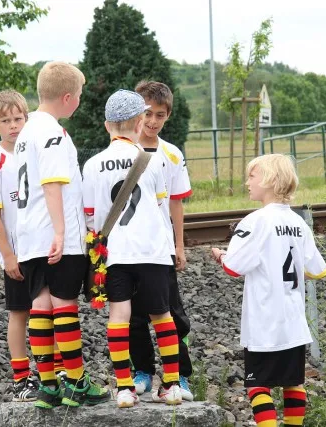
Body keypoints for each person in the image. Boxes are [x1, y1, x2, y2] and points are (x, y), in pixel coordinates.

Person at [14, 61, 110, 409]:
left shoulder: (25, 132)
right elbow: (52, 183)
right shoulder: (53, 133)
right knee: (64, 304)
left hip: (29, 236)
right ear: (67, 97)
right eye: (79, 95)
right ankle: (76, 381)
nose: (80, 101)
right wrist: (60, 231)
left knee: (40, 306)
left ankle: (48, 386)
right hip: (58, 235)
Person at [210, 154, 326, 427]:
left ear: (269, 180)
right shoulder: (299, 223)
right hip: (293, 322)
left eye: (251, 176)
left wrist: (222, 256)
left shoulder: (255, 221)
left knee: (258, 384)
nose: (247, 182)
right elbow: (317, 270)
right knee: (293, 383)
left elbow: (234, 268)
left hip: (264, 322)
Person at [82, 89, 183, 408]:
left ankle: (125, 387)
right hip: (153, 251)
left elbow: (90, 216)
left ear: (106, 126)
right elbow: (161, 203)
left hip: (117, 253)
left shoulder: (93, 165)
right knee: (162, 314)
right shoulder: (152, 161)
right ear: (140, 123)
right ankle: (171, 384)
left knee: (119, 315)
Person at [130, 80, 194, 401]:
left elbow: (176, 203)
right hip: (130, 249)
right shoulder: (124, 151)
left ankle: (179, 375)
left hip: (161, 248)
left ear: (168, 115)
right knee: (134, 315)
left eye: (160, 115)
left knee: (171, 313)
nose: (152, 121)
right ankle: (142, 370)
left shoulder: (172, 154)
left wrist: (179, 245)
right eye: (147, 113)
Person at [0, 90, 38, 402]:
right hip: (17, 254)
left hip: (41, 248)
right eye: (6, 121)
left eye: (18, 118)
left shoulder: (35, 153)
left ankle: (53, 372)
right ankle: (21, 380)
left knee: (48, 310)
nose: (13, 125)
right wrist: (9, 256)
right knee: (19, 313)